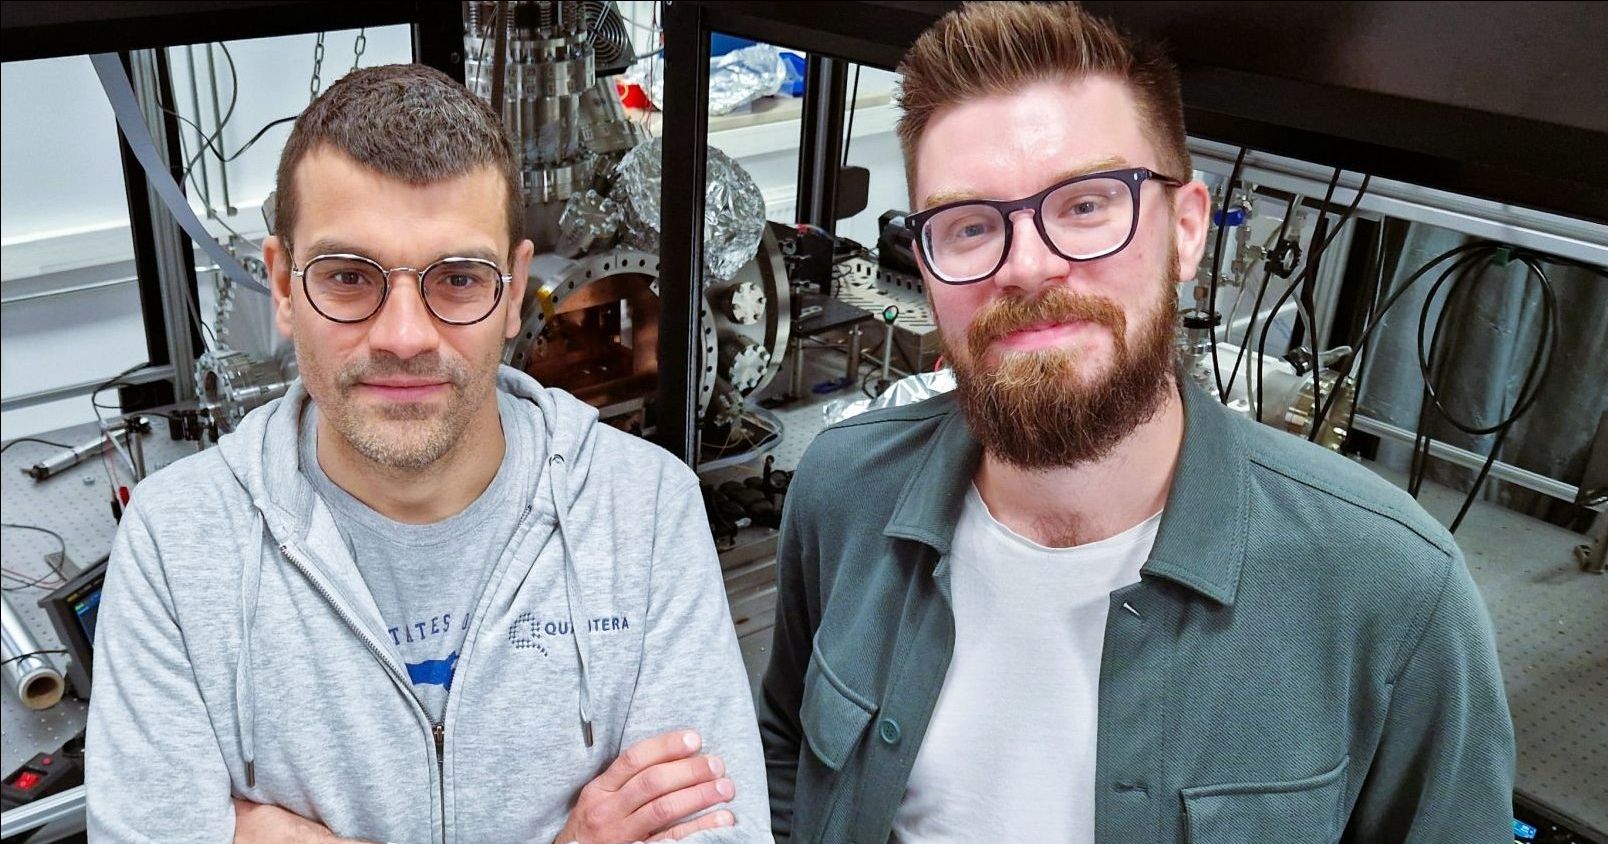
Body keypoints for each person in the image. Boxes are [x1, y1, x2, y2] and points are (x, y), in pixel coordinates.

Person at [758, 3, 1515, 842]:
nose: (1030, 265)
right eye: (970, 226)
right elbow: (786, 755)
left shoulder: (1393, 593)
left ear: (1186, 230)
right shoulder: (840, 492)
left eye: (1086, 205)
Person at [87, 64, 770, 844]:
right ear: (280, 286)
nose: (405, 337)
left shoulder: (642, 511)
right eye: (347, 277)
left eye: (456, 279)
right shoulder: (177, 546)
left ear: (513, 292)